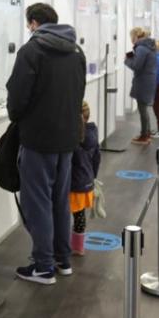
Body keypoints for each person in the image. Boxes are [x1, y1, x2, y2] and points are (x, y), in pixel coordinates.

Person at [6, 2, 86, 285]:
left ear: (34, 23)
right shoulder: (76, 52)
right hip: (67, 140)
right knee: (59, 201)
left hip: (38, 139)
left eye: (29, 24)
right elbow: (79, 95)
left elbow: (17, 99)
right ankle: (62, 260)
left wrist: (17, 117)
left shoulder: (31, 51)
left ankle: (42, 266)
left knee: (37, 201)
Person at [69, 101, 101, 257]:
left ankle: (61, 245)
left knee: (62, 215)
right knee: (79, 217)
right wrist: (93, 177)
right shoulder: (93, 133)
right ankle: (78, 247)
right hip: (86, 183)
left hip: (72, 185)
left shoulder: (72, 139)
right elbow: (97, 159)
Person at [124, 27, 157, 145]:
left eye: (131, 37)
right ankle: (146, 132)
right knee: (144, 109)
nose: (131, 40)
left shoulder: (141, 48)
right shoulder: (149, 47)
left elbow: (137, 66)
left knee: (142, 109)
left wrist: (127, 60)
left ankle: (144, 136)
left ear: (135, 36)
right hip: (148, 80)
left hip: (143, 81)